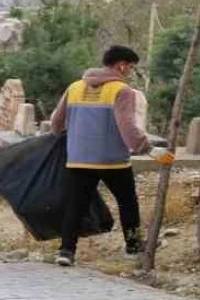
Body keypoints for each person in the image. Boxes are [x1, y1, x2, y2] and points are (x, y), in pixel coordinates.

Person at [51, 45, 174, 267]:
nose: (129, 71)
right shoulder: (122, 91)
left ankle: (66, 251)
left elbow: (56, 123)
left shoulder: (75, 87)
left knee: (75, 206)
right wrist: (148, 149)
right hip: (112, 161)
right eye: (129, 67)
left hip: (78, 159)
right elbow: (127, 126)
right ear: (121, 65)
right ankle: (133, 246)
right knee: (128, 203)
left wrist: (75, 137)